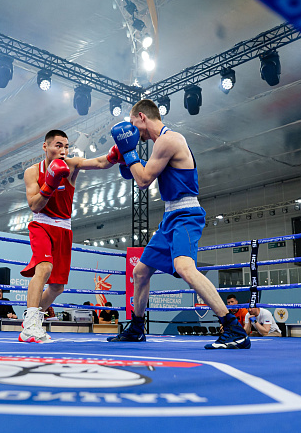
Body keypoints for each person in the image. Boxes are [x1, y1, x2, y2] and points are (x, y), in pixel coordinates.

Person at [106, 99, 250, 349]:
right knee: (140, 272)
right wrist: (125, 161)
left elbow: (143, 181)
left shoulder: (169, 140)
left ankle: (233, 327)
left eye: (132, 123)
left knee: (185, 268)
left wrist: (128, 154)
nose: (132, 129)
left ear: (142, 117)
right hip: (170, 216)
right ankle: (137, 328)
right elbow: (140, 173)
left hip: (186, 214)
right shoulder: (160, 145)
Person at [18, 130, 115, 343]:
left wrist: (117, 154)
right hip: (42, 224)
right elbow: (34, 206)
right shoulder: (32, 172)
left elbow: (100, 162)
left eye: (66, 146)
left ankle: (31, 320)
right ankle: (31, 327)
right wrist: (50, 185)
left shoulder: (71, 165)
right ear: (45, 147)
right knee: (44, 268)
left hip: (64, 228)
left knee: (57, 287)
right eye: (58, 145)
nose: (63, 150)